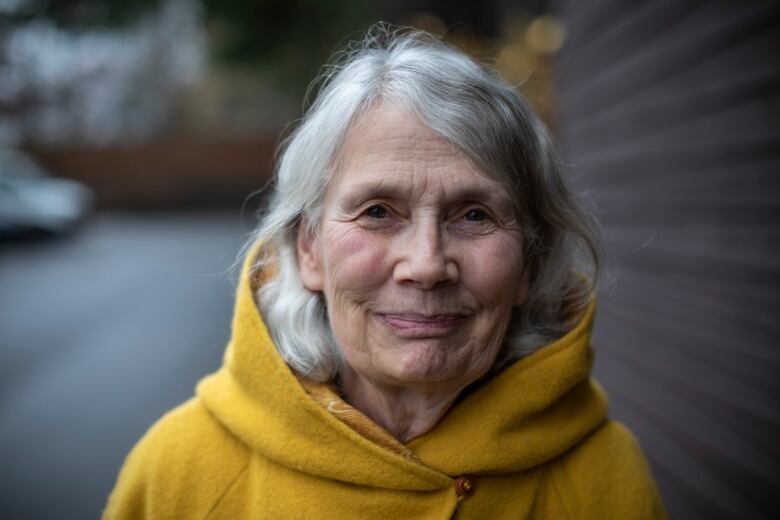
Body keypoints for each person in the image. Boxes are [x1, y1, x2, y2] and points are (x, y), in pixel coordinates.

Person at [103, 25, 666, 519]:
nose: (426, 265)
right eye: (377, 212)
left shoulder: (604, 475)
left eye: (474, 215)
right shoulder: (177, 472)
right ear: (309, 251)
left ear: (530, 263)